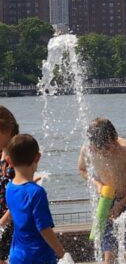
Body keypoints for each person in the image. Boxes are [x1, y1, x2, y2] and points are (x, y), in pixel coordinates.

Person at [78, 117, 126, 264]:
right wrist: (97, 183)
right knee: (108, 256)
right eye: (102, 148)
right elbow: (81, 169)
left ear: (115, 138)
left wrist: (121, 204)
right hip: (108, 201)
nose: (107, 152)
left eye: (110, 146)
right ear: (93, 145)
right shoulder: (87, 149)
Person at [4, 134, 65, 263]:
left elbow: (19, 210)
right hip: (39, 257)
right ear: (37, 157)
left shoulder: (9, 188)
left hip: (17, 256)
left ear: (9, 161)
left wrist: (31, 185)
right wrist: (61, 253)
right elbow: (44, 228)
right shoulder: (37, 193)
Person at [0, 107, 19, 264]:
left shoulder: (18, 157)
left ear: (8, 130)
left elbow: (21, 193)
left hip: (12, 219)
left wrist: (3, 221)